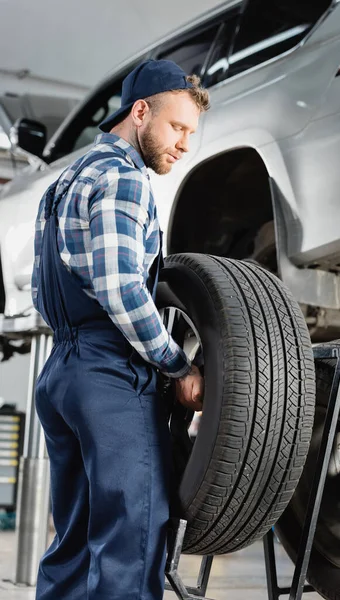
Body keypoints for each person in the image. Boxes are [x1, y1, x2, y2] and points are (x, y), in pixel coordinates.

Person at [31, 59, 210, 600]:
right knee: (130, 545)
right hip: (110, 379)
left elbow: (47, 289)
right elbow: (121, 288)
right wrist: (178, 364)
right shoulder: (123, 177)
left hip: (63, 372)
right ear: (140, 113)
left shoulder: (67, 180)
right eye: (177, 128)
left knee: (76, 543)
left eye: (191, 135)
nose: (184, 145)